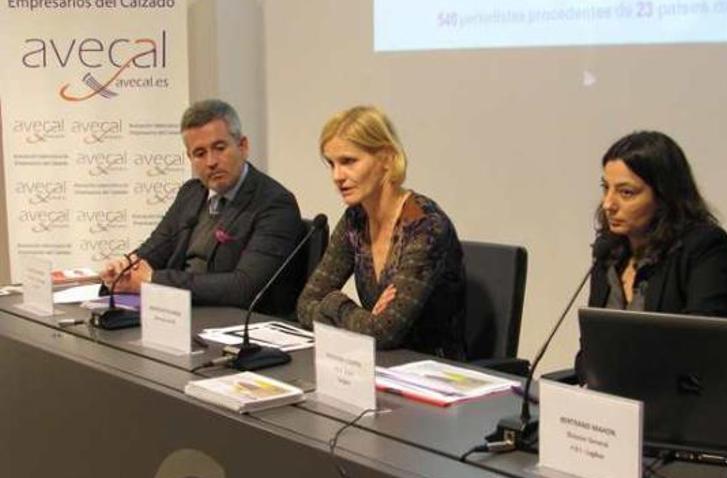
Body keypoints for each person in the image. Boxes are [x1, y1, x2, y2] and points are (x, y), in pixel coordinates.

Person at [99, 99, 304, 315]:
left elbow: (244, 288)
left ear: (242, 146)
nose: (211, 162)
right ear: (189, 158)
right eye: (199, 153)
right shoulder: (191, 193)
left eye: (219, 148)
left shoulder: (275, 204)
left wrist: (153, 280)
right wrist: (125, 269)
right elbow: (154, 250)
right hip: (182, 315)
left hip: (240, 326)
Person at [296, 106, 466, 359]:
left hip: (432, 370)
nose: (337, 176)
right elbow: (305, 305)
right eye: (331, 163)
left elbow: (385, 332)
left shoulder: (426, 226)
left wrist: (333, 303)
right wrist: (365, 320)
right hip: (376, 363)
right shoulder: (355, 218)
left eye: (348, 161)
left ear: (386, 158)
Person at [576, 130, 727, 383]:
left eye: (626, 193)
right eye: (606, 188)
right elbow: (590, 351)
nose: (608, 204)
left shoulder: (702, 246)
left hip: (672, 404)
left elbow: (702, 348)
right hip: (610, 404)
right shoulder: (609, 251)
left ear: (664, 197)